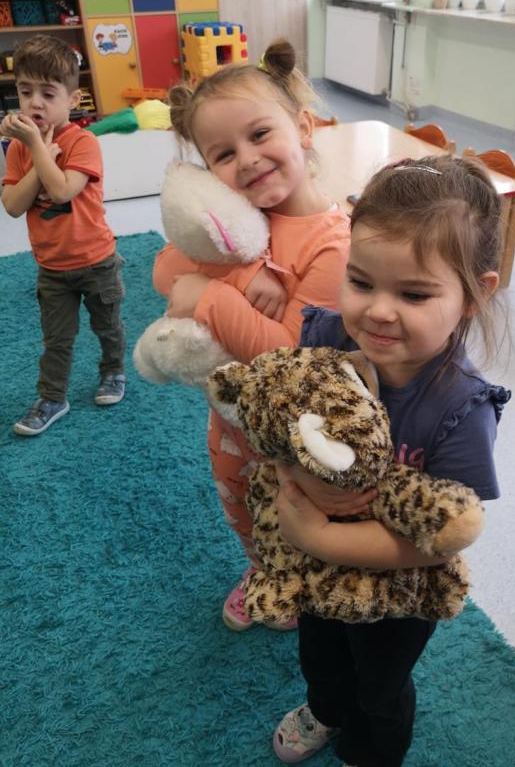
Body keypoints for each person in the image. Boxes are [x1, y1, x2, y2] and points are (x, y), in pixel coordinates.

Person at [271, 155, 511, 767]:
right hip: (317, 570)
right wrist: (294, 479)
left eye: (413, 293)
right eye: (361, 282)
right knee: (319, 653)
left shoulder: (462, 409)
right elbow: (280, 427)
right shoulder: (326, 340)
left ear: (474, 294)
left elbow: (440, 540)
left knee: (380, 687)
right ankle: (325, 708)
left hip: (396, 592)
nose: (378, 310)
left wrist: (320, 536)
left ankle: (372, 750)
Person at [152, 39, 351, 631]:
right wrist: (244, 272)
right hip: (232, 419)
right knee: (240, 505)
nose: (247, 160)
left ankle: (299, 576)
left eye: (260, 134)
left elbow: (287, 355)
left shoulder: (334, 244)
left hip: (299, 430)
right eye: (223, 154)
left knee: (296, 512)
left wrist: (210, 295)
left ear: (304, 128)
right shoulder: (239, 221)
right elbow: (165, 269)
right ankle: (263, 570)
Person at [1, 35, 126, 437]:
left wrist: (39, 149)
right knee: (56, 339)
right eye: (25, 92)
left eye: (47, 94)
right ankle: (52, 397)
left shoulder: (83, 142)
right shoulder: (19, 149)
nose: (34, 103)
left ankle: (113, 371)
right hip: (52, 268)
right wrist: (38, 153)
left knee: (107, 326)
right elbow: (13, 205)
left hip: (96, 260)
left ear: (72, 99)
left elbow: (61, 191)